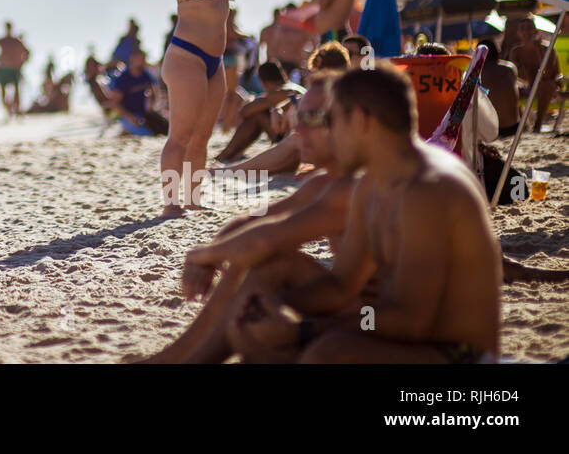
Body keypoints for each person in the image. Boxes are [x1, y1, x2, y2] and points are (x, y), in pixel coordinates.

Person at [228, 65, 502, 363]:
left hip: (459, 352)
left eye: (330, 121)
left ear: (361, 120)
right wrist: (277, 305)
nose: (327, 133)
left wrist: (302, 330)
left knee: (327, 353)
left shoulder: (425, 189)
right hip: (398, 330)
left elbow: (411, 321)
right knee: (263, 338)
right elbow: (341, 285)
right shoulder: (374, 182)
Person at [143, 71, 351, 363]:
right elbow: (256, 223)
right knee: (265, 281)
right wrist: (214, 251)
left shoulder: (359, 186)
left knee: (276, 328)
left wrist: (205, 255)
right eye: (298, 118)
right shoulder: (325, 182)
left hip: (384, 326)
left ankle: (182, 359)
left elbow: (269, 238)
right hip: (353, 306)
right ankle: (177, 356)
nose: (298, 132)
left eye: (313, 119)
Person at [161, 0, 251, 217]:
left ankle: (193, 200)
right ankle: (171, 203)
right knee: (180, 137)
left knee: (201, 139)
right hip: (186, 57)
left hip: (215, 59)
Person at [215, 62, 304, 162]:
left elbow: (245, 111)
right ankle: (229, 154)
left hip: (294, 141)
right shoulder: (293, 87)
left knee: (258, 114)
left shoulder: (283, 91)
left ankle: (226, 155)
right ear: (283, 74)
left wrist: (259, 100)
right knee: (260, 113)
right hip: (298, 136)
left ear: (263, 82)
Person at [509, 18, 559, 132]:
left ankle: (538, 124)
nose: (526, 32)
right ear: (518, 33)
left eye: (529, 28)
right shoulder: (516, 51)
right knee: (509, 87)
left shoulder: (548, 49)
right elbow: (514, 76)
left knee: (545, 85)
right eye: (522, 29)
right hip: (529, 87)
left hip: (550, 88)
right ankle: (519, 124)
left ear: (536, 31)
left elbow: (549, 74)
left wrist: (538, 50)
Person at [103, 49, 168, 135]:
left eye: (144, 59)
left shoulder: (146, 75)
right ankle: (125, 131)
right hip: (127, 115)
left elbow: (155, 92)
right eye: (141, 59)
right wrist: (130, 117)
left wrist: (151, 106)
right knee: (146, 133)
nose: (143, 62)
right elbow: (115, 103)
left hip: (143, 114)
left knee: (165, 129)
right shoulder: (123, 78)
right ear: (132, 60)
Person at [477, 36, 520, 137]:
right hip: (514, 126)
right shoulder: (510, 68)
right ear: (499, 53)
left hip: (492, 130)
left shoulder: (478, 73)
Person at [0, 21, 30, 121]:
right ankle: (8, 109)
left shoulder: (15, 41)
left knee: (16, 90)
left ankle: (14, 108)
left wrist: (21, 63)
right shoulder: (3, 40)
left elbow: (27, 53)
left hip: (14, 69)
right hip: (4, 69)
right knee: (3, 90)